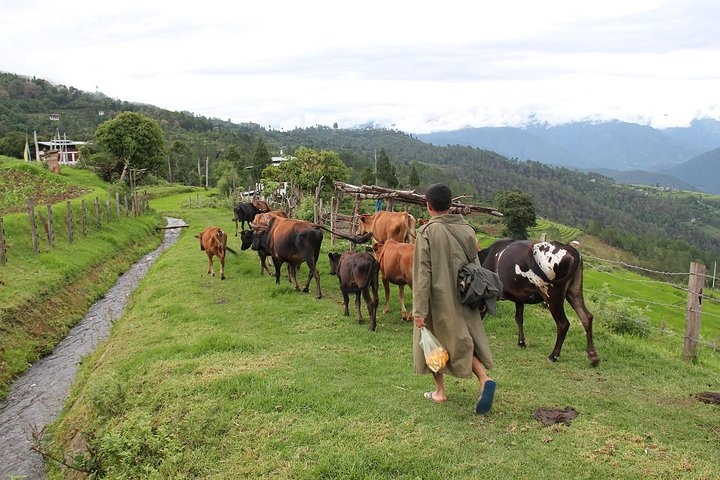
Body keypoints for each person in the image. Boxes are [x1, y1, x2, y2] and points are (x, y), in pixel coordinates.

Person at [412, 183, 496, 414]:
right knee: (462, 339)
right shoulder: (466, 228)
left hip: (437, 300)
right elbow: (476, 265)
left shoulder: (427, 232)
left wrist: (419, 311)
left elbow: (422, 273)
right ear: (451, 205)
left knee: (433, 343)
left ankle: (439, 392)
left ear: (428, 206)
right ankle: (483, 379)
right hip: (465, 294)